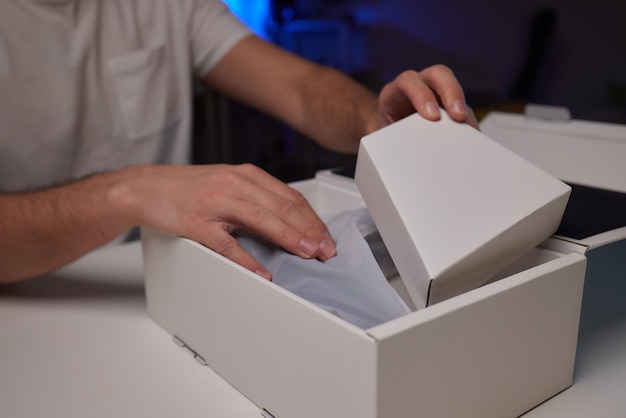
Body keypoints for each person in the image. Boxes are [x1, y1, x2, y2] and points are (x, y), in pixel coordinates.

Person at [0, 0, 476, 283]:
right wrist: (130, 191)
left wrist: (374, 118)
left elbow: (302, 89)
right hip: (32, 300)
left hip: (173, 279)